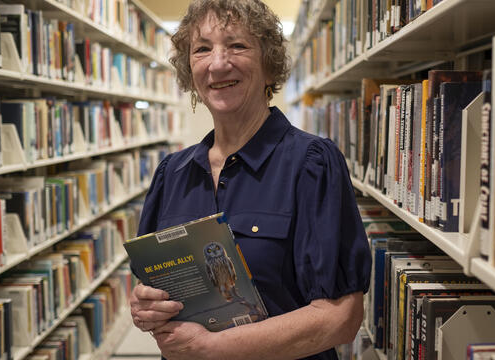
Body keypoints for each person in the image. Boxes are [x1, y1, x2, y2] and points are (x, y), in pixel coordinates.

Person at [129, 0, 372, 359]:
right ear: (189, 72)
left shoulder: (312, 164)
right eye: (202, 49)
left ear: (269, 65)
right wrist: (145, 306)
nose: (218, 63)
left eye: (237, 45)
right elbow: (148, 283)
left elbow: (341, 318)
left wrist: (213, 348)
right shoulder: (172, 173)